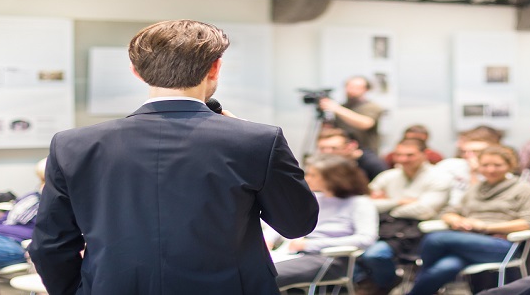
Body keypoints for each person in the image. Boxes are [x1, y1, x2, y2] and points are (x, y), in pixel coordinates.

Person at [29, 20, 319, 295]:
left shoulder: (73, 145)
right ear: (215, 68)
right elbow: (297, 224)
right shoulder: (257, 141)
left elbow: (50, 246)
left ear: (136, 72)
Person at [407, 147, 530, 295]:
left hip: (503, 245)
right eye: (485, 165)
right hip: (468, 242)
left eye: (497, 165)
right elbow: (448, 212)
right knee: (444, 268)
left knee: (436, 239)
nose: (491, 170)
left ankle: (418, 277)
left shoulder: (523, 188)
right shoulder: (475, 188)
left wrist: (486, 227)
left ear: (510, 166)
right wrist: (456, 220)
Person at [357, 138, 453, 294]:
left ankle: (385, 285)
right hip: (386, 227)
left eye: (410, 155)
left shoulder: (440, 177)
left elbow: (424, 210)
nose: (403, 159)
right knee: (358, 254)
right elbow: (364, 204)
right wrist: (398, 202)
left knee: (375, 254)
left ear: (424, 154)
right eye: (398, 155)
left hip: (419, 231)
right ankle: (386, 283)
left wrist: (386, 204)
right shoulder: (387, 176)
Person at [268, 154, 378, 289]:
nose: (307, 178)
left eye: (313, 175)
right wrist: (268, 239)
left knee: (267, 276)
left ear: (333, 178)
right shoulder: (315, 198)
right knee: (251, 270)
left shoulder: (360, 203)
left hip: (328, 258)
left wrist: (310, 244)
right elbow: (284, 220)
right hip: (294, 253)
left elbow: (366, 239)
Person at [320, 76, 385, 154]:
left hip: (365, 150)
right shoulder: (343, 107)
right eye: (349, 86)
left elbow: (366, 123)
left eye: (356, 87)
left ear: (366, 89)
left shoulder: (371, 107)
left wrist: (337, 109)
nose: (351, 90)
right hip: (343, 151)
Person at [316, 128, 388, 181]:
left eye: (334, 148)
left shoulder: (373, 165)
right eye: (322, 148)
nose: (327, 152)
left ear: (352, 145)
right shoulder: (325, 163)